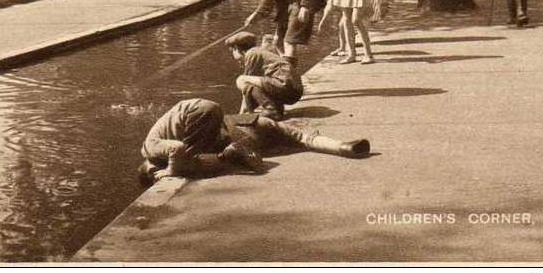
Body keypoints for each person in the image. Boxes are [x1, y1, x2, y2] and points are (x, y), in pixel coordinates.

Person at [138, 98, 371, 185]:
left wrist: (171, 169)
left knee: (199, 164)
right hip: (254, 122)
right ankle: (344, 147)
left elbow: (178, 152)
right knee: (303, 138)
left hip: (244, 140)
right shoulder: (174, 130)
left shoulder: (151, 147)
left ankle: (236, 158)